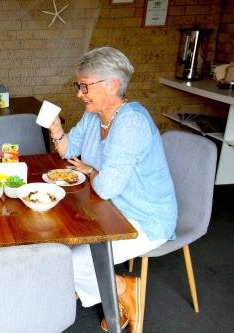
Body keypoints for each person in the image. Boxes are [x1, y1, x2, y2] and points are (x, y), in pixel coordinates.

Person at [48, 47, 177, 333]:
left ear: (113, 85)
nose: (79, 93)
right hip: (109, 209)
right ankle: (102, 291)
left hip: (143, 218)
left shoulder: (130, 123)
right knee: (55, 244)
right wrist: (56, 128)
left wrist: (92, 171)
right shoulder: (94, 115)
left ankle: (122, 288)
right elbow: (70, 150)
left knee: (66, 260)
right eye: (78, 85)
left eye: (84, 86)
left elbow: (105, 187)